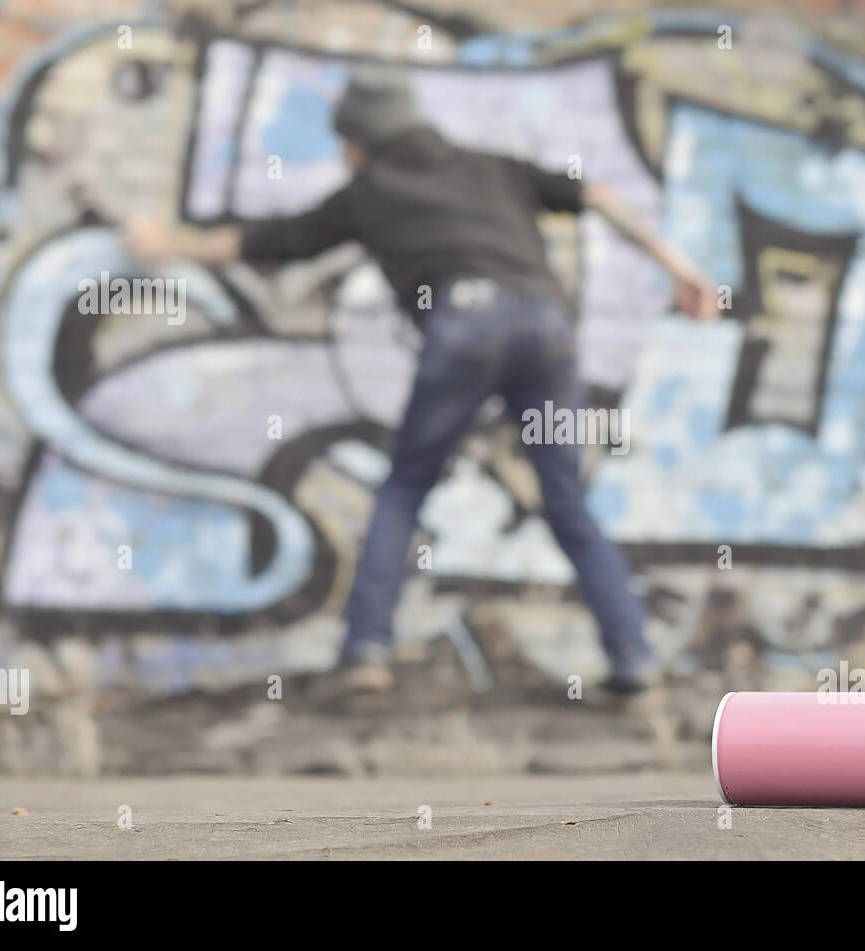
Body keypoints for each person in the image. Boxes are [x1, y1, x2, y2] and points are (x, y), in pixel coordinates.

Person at [124, 73, 718, 694]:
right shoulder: (491, 167)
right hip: (548, 327)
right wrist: (679, 268)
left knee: (406, 486)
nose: (344, 156)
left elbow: (261, 241)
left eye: (346, 144)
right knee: (565, 499)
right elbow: (596, 195)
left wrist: (167, 246)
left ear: (362, 142)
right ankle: (633, 656)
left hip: (467, 324)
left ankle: (366, 652)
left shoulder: (367, 192)